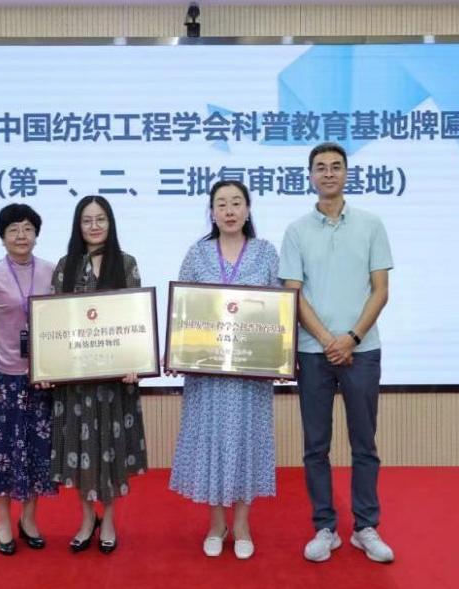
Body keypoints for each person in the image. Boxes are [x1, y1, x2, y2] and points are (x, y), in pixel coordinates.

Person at [278, 142, 395, 564]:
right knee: (316, 446)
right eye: (321, 167)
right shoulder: (296, 231)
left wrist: (352, 338)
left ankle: (365, 527)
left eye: (336, 166)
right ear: (310, 176)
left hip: (363, 351)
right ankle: (324, 527)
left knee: (364, 444)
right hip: (314, 353)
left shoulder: (371, 225)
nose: (328, 173)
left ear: (346, 173)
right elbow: (293, 293)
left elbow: (380, 290)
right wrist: (329, 339)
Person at [168, 180, 280, 560]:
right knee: (211, 443)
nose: (229, 210)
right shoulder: (197, 254)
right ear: (212, 212)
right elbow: (182, 311)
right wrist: (176, 352)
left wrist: (281, 355)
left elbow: (280, 312)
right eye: (221, 204)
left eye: (236, 203)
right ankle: (216, 524)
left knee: (247, 441)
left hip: (250, 376)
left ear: (248, 209)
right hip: (207, 374)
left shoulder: (266, 252)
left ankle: (243, 524)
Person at [50, 195, 147, 555]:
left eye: (101, 219)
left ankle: (108, 520)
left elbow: (137, 319)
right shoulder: (65, 266)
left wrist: (138, 361)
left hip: (114, 381)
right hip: (75, 382)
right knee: (78, 449)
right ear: (78, 226)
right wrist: (48, 366)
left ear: (110, 223)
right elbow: (53, 323)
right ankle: (86, 518)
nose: (94, 226)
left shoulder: (126, 263)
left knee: (109, 450)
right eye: (87, 220)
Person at [0, 203, 57, 556]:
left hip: (40, 380)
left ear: (36, 234)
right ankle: (4, 521)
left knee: (36, 455)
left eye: (28, 228)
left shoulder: (51, 271)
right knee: (1, 456)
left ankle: (29, 520)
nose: (21, 235)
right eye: (13, 230)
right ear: (2, 237)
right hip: (2, 380)